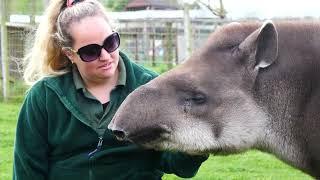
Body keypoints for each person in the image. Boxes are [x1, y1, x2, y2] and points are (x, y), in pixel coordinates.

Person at [13, 0, 208, 179]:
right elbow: (27, 171)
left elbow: (177, 164)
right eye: (91, 51)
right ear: (70, 54)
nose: (105, 56)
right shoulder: (45, 97)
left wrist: (196, 140)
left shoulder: (150, 88)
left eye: (110, 42)